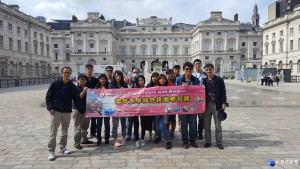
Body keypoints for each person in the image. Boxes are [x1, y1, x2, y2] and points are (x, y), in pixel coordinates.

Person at [46, 67, 85, 161]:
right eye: (65, 73)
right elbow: (48, 96)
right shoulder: (55, 84)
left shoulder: (72, 86)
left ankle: (62, 147)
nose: (67, 74)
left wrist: (82, 111)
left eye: (68, 73)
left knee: (65, 131)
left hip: (67, 112)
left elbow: (76, 100)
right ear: (61, 73)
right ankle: (51, 151)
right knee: (53, 132)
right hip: (56, 111)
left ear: (71, 74)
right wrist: (50, 108)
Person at [174, 62, 200, 149]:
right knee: (184, 124)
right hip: (182, 105)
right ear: (183, 70)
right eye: (186, 69)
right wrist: (181, 87)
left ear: (192, 70)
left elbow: (199, 92)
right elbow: (174, 91)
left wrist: (189, 87)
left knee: (193, 124)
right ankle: (185, 141)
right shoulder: (178, 79)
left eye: (190, 69)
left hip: (193, 105)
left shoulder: (196, 80)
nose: (188, 70)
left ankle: (192, 140)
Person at [203, 63, 227, 150]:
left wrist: (224, 103)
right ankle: (208, 141)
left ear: (213, 69)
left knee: (218, 125)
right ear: (205, 71)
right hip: (207, 104)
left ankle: (219, 142)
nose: (208, 71)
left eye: (210, 69)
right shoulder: (204, 80)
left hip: (216, 104)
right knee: (206, 124)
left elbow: (223, 92)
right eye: (207, 69)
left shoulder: (219, 80)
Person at [153, 74, 172, 149]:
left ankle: (168, 140)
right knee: (157, 126)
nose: (162, 80)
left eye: (163, 79)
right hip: (157, 109)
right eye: (160, 79)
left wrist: (167, 110)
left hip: (166, 110)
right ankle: (159, 137)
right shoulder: (155, 88)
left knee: (162, 125)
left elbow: (171, 100)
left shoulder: (169, 88)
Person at [111, 70, 128, 147]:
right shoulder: (111, 85)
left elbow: (129, 95)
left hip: (123, 107)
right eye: (117, 76)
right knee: (115, 123)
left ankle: (124, 137)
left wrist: (124, 91)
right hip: (115, 108)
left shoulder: (124, 85)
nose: (118, 77)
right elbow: (109, 95)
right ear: (114, 76)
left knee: (124, 123)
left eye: (120, 76)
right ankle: (115, 138)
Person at [72, 74, 89, 150]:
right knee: (78, 127)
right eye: (80, 79)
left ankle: (84, 139)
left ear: (86, 81)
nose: (82, 81)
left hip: (86, 109)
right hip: (77, 110)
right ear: (78, 80)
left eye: (84, 79)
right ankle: (76, 143)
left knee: (85, 126)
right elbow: (78, 98)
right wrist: (84, 92)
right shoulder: (76, 88)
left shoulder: (87, 88)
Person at [192, 59, 206, 140]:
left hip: (202, 100)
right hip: (193, 100)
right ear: (194, 65)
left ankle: (200, 132)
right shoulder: (191, 75)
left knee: (201, 118)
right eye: (196, 64)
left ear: (201, 64)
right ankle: (194, 132)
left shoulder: (205, 75)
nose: (197, 65)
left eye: (199, 64)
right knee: (193, 118)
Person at [95, 74, 111, 145]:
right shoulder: (96, 87)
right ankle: (99, 138)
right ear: (99, 80)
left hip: (107, 108)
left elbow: (113, 95)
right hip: (99, 108)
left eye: (104, 79)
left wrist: (107, 91)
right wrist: (96, 91)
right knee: (99, 124)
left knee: (107, 124)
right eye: (101, 79)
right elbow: (93, 97)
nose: (102, 80)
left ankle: (107, 137)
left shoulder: (109, 87)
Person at [126, 68, 141, 141]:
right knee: (129, 120)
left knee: (136, 120)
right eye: (134, 72)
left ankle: (136, 134)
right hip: (129, 104)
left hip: (137, 104)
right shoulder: (127, 81)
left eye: (137, 73)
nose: (135, 74)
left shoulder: (140, 81)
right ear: (132, 73)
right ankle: (128, 134)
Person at [145, 72, 159, 142]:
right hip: (150, 107)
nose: (154, 78)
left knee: (156, 121)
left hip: (158, 107)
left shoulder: (160, 86)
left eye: (156, 77)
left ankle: (156, 134)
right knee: (149, 122)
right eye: (153, 77)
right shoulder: (148, 85)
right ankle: (150, 135)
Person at [85, 64, 98, 141]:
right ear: (85, 70)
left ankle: (93, 132)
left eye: (91, 69)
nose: (89, 70)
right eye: (88, 69)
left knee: (94, 119)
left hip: (93, 102)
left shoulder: (94, 79)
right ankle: (84, 133)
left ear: (93, 70)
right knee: (85, 119)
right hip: (85, 101)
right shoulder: (83, 78)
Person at [135, 75, 146, 148]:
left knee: (143, 124)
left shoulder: (147, 89)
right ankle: (137, 139)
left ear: (144, 81)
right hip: (135, 109)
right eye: (139, 81)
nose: (140, 82)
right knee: (136, 124)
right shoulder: (134, 89)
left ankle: (142, 138)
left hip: (144, 109)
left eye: (142, 80)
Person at [165, 69, 176, 139]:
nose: (170, 75)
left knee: (173, 118)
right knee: (167, 119)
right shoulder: (165, 82)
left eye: (171, 73)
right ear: (166, 75)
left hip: (174, 102)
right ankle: (167, 131)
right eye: (168, 74)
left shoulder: (176, 81)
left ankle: (172, 131)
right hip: (166, 103)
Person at [173, 64, 182, 133]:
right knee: (172, 114)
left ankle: (180, 126)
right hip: (172, 98)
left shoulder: (182, 77)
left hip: (180, 98)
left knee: (180, 113)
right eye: (175, 69)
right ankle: (171, 128)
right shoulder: (171, 77)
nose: (176, 70)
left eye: (178, 69)